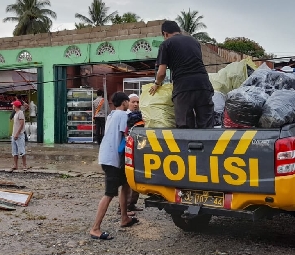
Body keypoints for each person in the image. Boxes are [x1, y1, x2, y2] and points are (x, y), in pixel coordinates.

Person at [90, 92, 139, 240]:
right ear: (124, 103)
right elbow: (126, 137)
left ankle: (124, 218)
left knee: (125, 184)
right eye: (130, 102)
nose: (133, 104)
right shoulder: (123, 116)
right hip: (112, 159)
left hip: (109, 156)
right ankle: (95, 228)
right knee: (109, 193)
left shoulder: (112, 115)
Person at [149, 20, 215, 129]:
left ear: (165, 33)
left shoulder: (166, 44)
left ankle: (187, 146)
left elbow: (161, 73)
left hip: (183, 87)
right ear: (178, 31)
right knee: (206, 124)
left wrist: (156, 84)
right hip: (203, 85)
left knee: (184, 125)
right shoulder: (194, 41)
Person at [124, 94, 143, 212]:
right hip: (127, 151)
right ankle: (123, 207)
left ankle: (132, 204)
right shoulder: (124, 116)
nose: (135, 104)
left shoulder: (141, 116)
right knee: (127, 180)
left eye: (137, 102)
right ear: (127, 102)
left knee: (137, 177)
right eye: (133, 102)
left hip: (139, 150)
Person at [10, 100, 27, 170]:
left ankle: (24, 165)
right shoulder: (16, 113)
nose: (12, 106)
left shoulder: (20, 113)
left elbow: (21, 124)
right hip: (14, 134)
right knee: (14, 151)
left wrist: (17, 134)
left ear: (15, 106)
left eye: (13, 105)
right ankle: (15, 165)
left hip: (19, 135)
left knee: (22, 151)